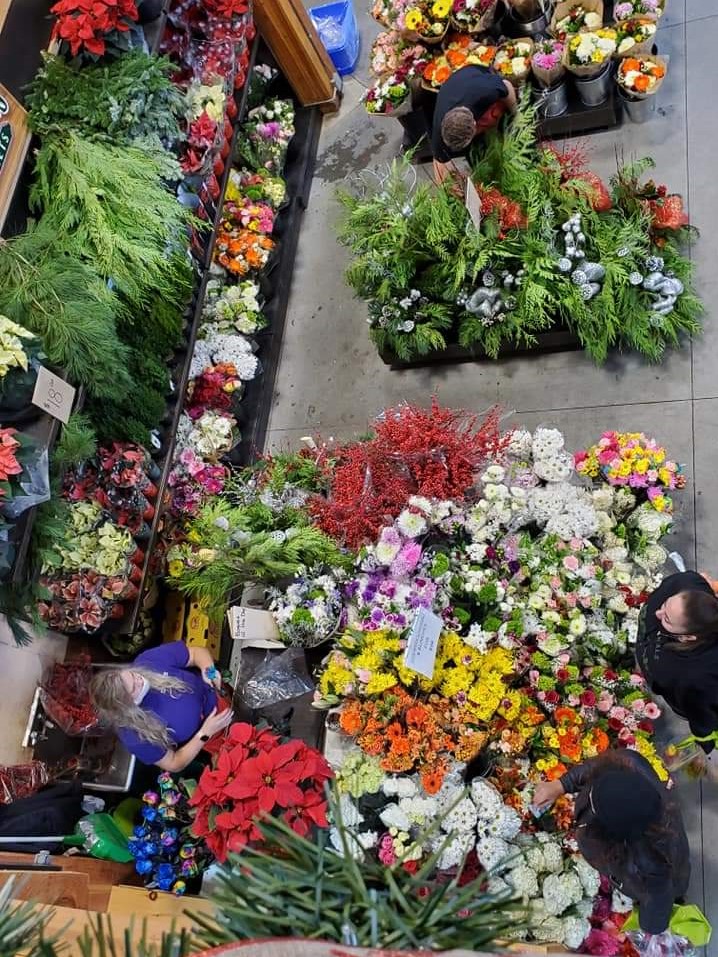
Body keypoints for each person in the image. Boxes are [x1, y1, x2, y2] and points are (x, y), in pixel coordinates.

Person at [533, 749, 689, 935]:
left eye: (593, 803)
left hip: (644, 882)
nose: (587, 794)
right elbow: (599, 767)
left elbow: (654, 921)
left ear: (613, 836)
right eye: (591, 792)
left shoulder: (651, 863)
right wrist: (561, 785)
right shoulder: (630, 768)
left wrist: (650, 907)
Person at [90, 641, 233, 771]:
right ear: (125, 705)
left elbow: (196, 653)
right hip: (216, 737)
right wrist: (205, 734)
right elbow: (174, 763)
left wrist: (210, 671)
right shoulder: (134, 736)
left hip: (224, 694)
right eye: (134, 687)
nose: (140, 679)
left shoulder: (147, 661)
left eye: (133, 675)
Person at [635, 569, 718, 758]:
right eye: (665, 604)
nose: (657, 612)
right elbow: (700, 579)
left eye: (667, 619)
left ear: (688, 637)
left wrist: (703, 742)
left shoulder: (693, 678)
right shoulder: (687, 581)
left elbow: (702, 716)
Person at [431, 65, 517, 182]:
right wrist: (452, 186)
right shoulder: (439, 134)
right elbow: (440, 163)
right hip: (450, 90)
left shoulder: (485, 92)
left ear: (475, 123)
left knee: (501, 127)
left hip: (472, 74)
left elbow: (507, 87)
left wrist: (516, 117)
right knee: (476, 156)